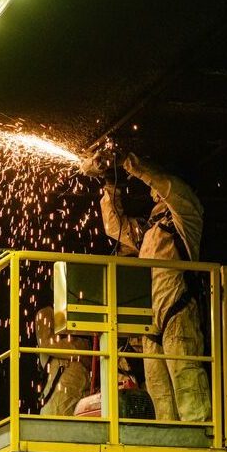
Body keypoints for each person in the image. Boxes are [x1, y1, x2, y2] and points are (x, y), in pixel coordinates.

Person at [83, 146, 210, 422]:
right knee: (159, 396)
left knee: (187, 383)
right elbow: (114, 227)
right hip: (153, 322)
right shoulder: (152, 230)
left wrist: (128, 163)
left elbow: (169, 187)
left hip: (179, 312)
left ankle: (201, 442)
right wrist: (109, 183)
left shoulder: (187, 214)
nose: (153, 192)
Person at [34, 308, 91, 416]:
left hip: (84, 394)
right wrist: (83, 349)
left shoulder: (82, 316)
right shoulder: (47, 313)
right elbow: (46, 343)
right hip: (59, 399)